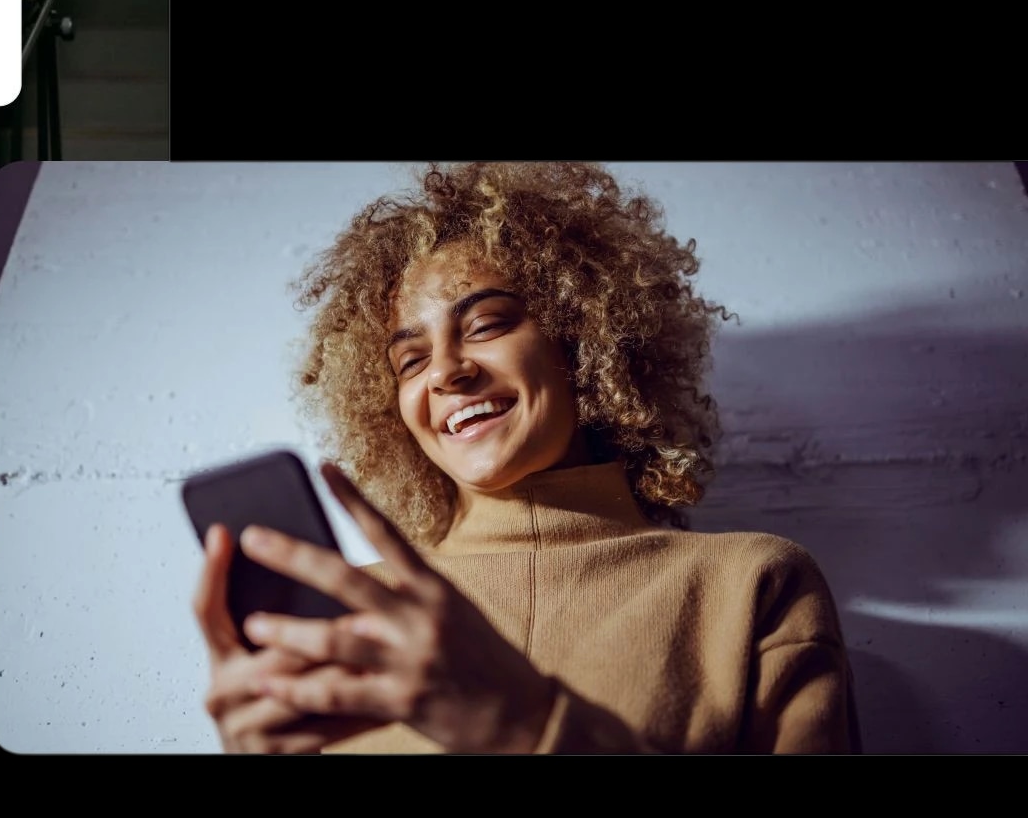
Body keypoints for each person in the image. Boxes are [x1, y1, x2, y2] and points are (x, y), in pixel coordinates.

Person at [194, 162, 855, 753]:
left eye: (486, 325)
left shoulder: (751, 585)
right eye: (411, 359)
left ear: (585, 341)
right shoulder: (356, 613)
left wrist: (521, 725)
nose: (447, 372)